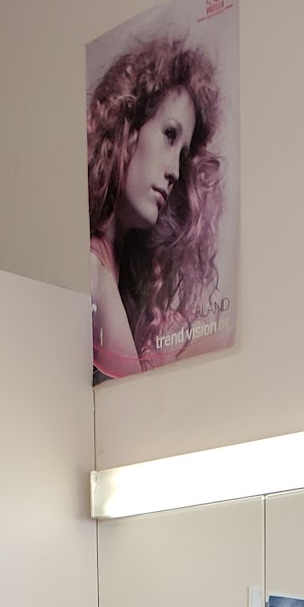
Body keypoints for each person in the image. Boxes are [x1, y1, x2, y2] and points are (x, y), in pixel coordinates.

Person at [87, 35, 223, 382]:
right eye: (169, 134)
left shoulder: (118, 274)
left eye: (183, 155)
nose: (175, 171)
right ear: (128, 125)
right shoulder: (93, 274)